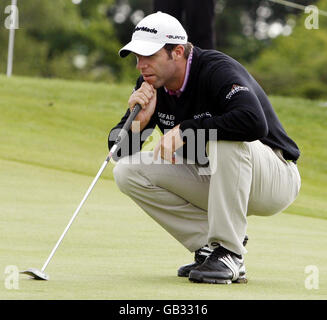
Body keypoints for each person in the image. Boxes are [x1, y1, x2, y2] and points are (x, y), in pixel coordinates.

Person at [108, 12, 301, 284]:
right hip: (216, 177)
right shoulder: (150, 84)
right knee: (127, 171)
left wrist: (188, 128)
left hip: (274, 177)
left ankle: (230, 253)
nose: (141, 65)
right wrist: (138, 125)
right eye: (137, 58)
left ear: (176, 52)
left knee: (223, 138)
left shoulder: (215, 69)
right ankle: (211, 248)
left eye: (149, 56)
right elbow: (116, 152)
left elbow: (254, 123)